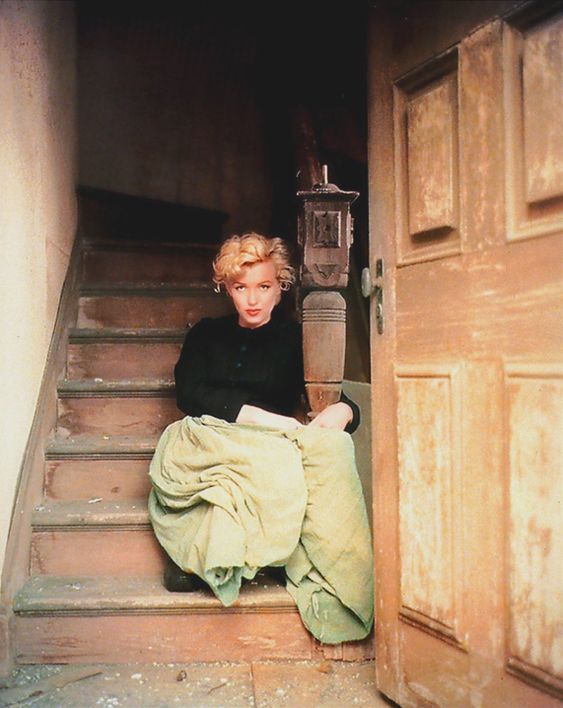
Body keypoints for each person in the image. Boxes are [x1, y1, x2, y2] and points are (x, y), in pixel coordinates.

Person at [148, 232, 373, 644]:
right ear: (227, 289)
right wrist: (264, 418)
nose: (252, 299)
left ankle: (334, 578)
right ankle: (206, 554)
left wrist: (346, 411)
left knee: (325, 450)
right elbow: (190, 394)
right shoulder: (206, 334)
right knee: (245, 467)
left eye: (264, 286)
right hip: (208, 435)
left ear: (280, 286)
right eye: (241, 288)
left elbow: (332, 395)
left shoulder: (295, 339)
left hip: (268, 443)